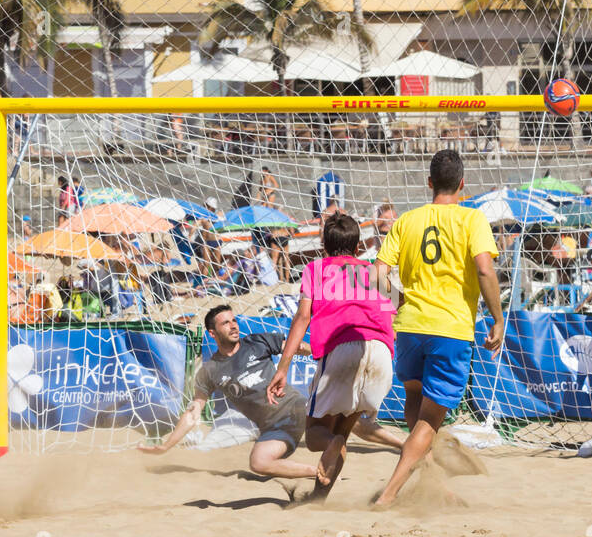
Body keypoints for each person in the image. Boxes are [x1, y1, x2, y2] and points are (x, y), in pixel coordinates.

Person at [138, 304, 402, 498]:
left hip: (294, 407)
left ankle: (402, 443)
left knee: (347, 417)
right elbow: (194, 411)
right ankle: (318, 471)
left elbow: (296, 346)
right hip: (275, 428)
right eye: (225, 323)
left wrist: (327, 356)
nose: (233, 325)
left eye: (234, 320)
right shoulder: (210, 371)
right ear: (211, 333)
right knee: (258, 463)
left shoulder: (256, 342)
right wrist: (166, 446)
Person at [373, 149, 505, 507]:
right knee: (429, 421)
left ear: (429, 183)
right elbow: (484, 270)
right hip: (450, 328)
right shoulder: (472, 219)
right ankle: (389, 494)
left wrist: (398, 299)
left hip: (411, 326)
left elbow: (377, 275)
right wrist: (497, 318)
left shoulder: (407, 220)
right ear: (463, 184)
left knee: (415, 402)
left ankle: (431, 482)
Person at [267, 212, 395, 500]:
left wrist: (283, 367)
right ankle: (318, 499)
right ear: (359, 246)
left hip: (342, 349)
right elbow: (396, 314)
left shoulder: (316, 268)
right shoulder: (376, 271)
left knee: (316, 436)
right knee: (341, 433)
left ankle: (332, 444)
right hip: (381, 353)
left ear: (323, 244)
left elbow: (302, 318)